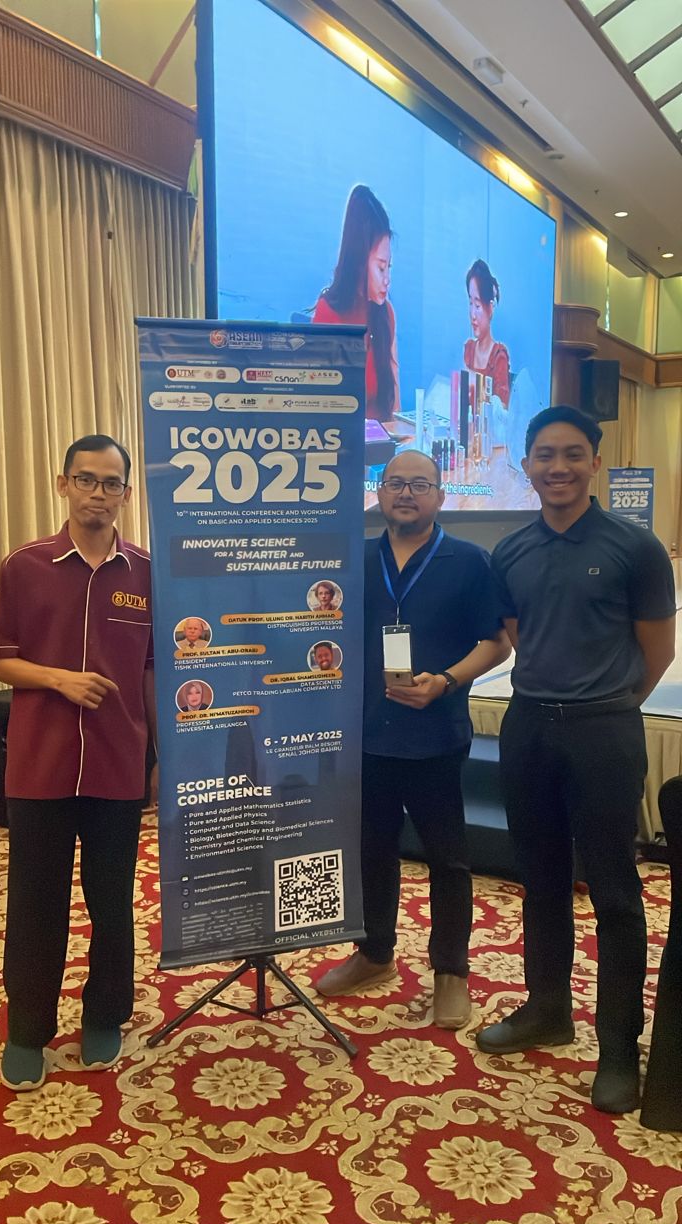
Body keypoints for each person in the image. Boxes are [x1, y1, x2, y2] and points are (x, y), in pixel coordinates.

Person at [476, 405, 676, 1114]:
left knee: (615, 892)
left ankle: (618, 1047)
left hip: (604, 733)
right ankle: (547, 1010)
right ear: (527, 465)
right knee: (540, 881)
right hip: (529, 728)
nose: (557, 467)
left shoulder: (635, 547)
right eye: (544, 455)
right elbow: (519, 635)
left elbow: (658, 652)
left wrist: (606, 706)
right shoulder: (511, 551)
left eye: (571, 454)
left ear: (595, 461)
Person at [0, 435, 157, 1092]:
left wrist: (161, 757)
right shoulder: (25, 565)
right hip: (40, 766)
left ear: (126, 494)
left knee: (112, 901)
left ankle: (105, 1015)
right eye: (86, 479)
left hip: (118, 764)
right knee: (36, 904)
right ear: (64, 485)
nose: (98, 494)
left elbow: (152, 671)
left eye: (111, 483)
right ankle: (27, 1030)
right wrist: (58, 679)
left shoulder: (145, 572)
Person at [315, 449, 510, 1026]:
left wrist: (446, 680)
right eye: (395, 482)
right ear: (378, 492)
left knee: (448, 859)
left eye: (420, 484)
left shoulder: (469, 561)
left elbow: (496, 643)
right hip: (365, 733)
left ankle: (451, 971)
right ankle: (374, 954)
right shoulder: (352, 558)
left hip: (435, 734)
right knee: (372, 851)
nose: (406, 493)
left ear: (441, 496)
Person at [313, 184, 400, 424]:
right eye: (381, 268)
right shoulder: (328, 314)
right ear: (360, 262)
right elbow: (318, 409)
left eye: (389, 267)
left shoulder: (386, 314)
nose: (387, 279)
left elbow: (394, 407)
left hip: (382, 442)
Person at [463, 259, 510, 408]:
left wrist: (477, 385)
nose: (472, 314)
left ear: (490, 308)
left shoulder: (498, 356)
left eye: (477, 305)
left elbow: (502, 408)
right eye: (470, 303)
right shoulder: (469, 349)